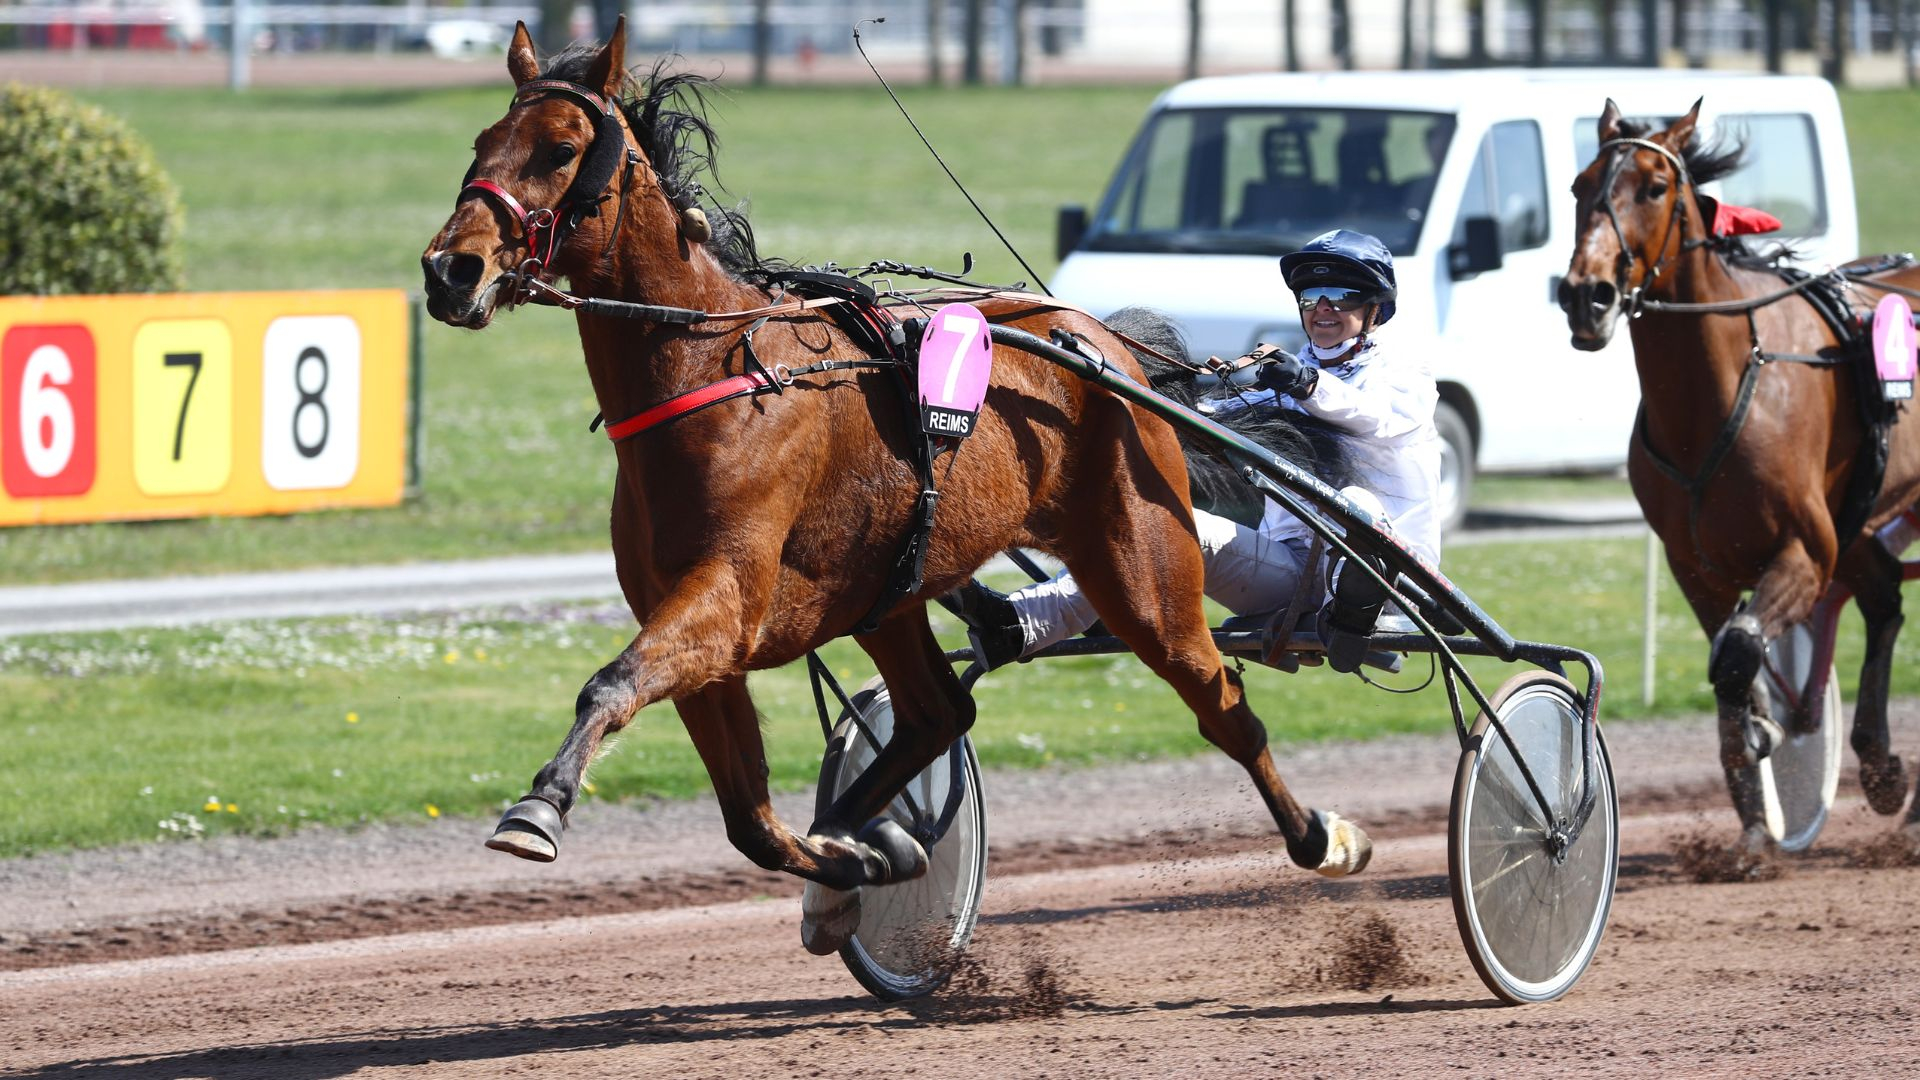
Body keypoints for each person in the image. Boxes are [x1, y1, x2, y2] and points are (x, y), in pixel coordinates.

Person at [954, 228, 1442, 670]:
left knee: (1357, 505)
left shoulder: (1404, 375)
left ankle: (1353, 614)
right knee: (1155, 525)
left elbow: (1376, 418)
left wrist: (1309, 385)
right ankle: (1016, 624)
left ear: (1375, 310)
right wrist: (1126, 389)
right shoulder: (1282, 381)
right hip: (1292, 574)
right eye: (1313, 296)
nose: (1323, 308)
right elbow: (1204, 420)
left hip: (1394, 581)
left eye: (1342, 296)